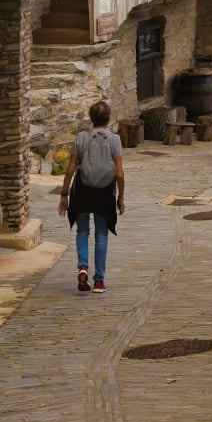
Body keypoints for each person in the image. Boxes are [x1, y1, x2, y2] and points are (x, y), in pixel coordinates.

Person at [58, 101, 125, 293]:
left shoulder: (81, 137)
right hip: (105, 192)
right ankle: (99, 281)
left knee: (82, 231)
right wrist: (121, 197)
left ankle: (83, 266)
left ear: (91, 118)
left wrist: (64, 195)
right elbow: (119, 174)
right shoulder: (114, 140)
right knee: (101, 234)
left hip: (82, 190)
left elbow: (70, 169)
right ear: (108, 118)